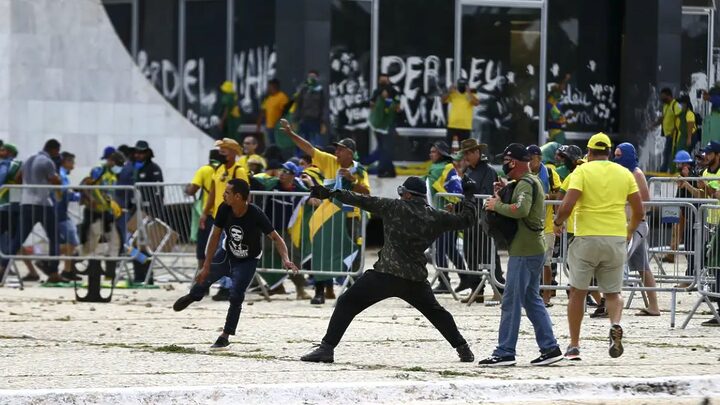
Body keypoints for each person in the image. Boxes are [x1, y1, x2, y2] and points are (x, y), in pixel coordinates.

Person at [299, 176, 478, 363]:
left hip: (385, 275)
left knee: (346, 303)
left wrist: (330, 193)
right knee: (437, 313)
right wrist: (469, 196)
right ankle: (463, 349)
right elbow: (466, 220)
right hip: (415, 279)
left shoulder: (394, 207)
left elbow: (361, 199)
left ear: (407, 194)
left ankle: (326, 349)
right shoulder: (435, 216)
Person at [173, 179, 298, 349]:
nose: (223, 195)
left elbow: (277, 238)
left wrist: (286, 259)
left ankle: (225, 335)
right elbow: (214, 236)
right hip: (226, 254)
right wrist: (206, 265)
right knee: (203, 278)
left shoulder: (255, 214)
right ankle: (194, 295)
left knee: (236, 295)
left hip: (247, 260)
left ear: (238, 196)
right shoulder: (224, 208)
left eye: (227, 193)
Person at [553, 133, 644, 360]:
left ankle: (574, 345)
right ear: (610, 152)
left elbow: (567, 204)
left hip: (587, 238)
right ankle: (615, 324)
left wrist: (557, 223)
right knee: (613, 293)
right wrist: (629, 230)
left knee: (577, 292)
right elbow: (639, 210)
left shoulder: (582, 171)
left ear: (589, 152)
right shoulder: (624, 173)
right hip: (615, 237)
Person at [477, 144, 562, 367]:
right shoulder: (527, 182)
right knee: (531, 300)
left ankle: (505, 351)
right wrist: (504, 191)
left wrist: (497, 205)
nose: (504, 164)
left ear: (513, 162)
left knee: (511, 301)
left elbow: (521, 210)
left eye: (506, 160)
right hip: (531, 248)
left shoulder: (525, 183)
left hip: (524, 251)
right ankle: (550, 347)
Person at [279, 118, 370, 304]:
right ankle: (320, 291)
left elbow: (366, 193)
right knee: (322, 251)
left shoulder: (360, 170)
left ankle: (353, 292)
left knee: (352, 253)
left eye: (340, 149)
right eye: (335, 149)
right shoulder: (330, 162)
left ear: (350, 153)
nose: (336, 152)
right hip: (328, 216)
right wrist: (290, 134)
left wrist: (352, 180)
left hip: (350, 217)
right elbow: (309, 148)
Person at [3, 139, 65, 283]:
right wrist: (57, 179)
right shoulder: (47, 162)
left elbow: (18, 179)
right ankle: (54, 272)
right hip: (43, 204)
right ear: (55, 150)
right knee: (54, 238)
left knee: (18, 239)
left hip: (26, 203)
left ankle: (2, 267)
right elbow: (55, 181)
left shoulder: (28, 159)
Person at [453, 139, 503, 302]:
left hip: (484, 221)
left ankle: (500, 289)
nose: (466, 156)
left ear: (477, 153)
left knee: (489, 255)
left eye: (468, 153)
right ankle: (477, 291)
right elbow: (467, 196)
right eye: (464, 153)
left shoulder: (488, 171)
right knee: (471, 255)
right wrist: (456, 208)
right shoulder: (468, 171)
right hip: (470, 220)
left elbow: (485, 195)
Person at [614, 143, 660, 316]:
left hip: (636, 226)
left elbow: (646, 202)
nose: (616, 158)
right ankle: (654, 306)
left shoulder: (636, 174)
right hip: (628, 224)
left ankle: (611, 302)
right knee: (643, 268)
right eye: (615, 155)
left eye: (619, 155)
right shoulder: (623, 173)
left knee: (617, 262)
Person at [200, 138, 250, 301]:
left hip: (233, 217)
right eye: (220, 149)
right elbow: (213, 193)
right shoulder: (218, 169)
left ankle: (228, 287)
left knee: (229, 253)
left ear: (234, 152)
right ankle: (223, 285)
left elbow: (245, 195)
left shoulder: (239, 170)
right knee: (217, 252)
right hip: (218, 217)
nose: (220, 151)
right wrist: (205, 212)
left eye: (224, 149)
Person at [425, 141, 465, 293]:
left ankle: (444, 281)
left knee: (441, 249)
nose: (431, 154)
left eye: (433, 152)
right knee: (448, 249)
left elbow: (432, 184)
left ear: (441, 153)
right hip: (445, 215)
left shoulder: (441, 169)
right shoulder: (447, 168)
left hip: (445, 216)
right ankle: (466, 277)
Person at [79, 151, 125, 278]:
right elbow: (89, 188)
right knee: (91, 244)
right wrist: (94, 201)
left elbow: (108, 193)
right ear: (110, 160)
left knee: (115, 242)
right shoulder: (99, 170)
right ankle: (73, 263)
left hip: (106, 213)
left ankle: (110, 274)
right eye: (118, 163)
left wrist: (112, 205)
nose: (119, 167)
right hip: (94, 213)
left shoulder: (113, 176)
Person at [527, 145, 562, 307]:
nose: (529, 162)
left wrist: (547, 196)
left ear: (539, 158)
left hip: (547, 224)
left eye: (531, 158)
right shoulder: (525, 173)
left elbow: (560, 194)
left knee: (546, 262)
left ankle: (547, 295)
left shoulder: (549, 173)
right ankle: (531, 293)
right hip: (529, 224)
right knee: (529, 260)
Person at [186, 150, 222, 270]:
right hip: (223, 213)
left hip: (208, 214)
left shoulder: (204, 170)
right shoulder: (224, 171)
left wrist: (186, 189)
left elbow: (192, 190)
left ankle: (203, 276)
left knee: (203, 247)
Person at [366, 73, 401, 178]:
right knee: (382, 148)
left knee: (387, 148)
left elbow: (398, 107)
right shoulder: (376, 92)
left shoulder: (393, 91)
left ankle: (384, 170)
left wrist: (387, 104)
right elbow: (371, 104)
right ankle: (387, 170)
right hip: (378, 125)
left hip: (389, 125)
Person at [56, 152, 82, 280]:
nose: (73, 166)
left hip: (60, 212)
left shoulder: (63, 174)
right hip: (59, 213)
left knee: (70, 242)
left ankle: (68, 270)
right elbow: (65, 193)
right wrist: (81, 196)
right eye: (72, 162)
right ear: (65, 162)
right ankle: (47, 258)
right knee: (72, 241)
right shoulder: (61, 175)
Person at [441, 79, 480, 152]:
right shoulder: (453, 93)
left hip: (465, 126)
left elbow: (477, 103)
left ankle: (463, 163)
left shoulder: (471, 94)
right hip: (452, 125)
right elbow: (443, 100)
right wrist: (449, 92)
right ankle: (448, 162)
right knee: (447, 148)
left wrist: (469, 92)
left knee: (464, 150)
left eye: (463, 85)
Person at [294, 70, 326, 147]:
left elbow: (323, 107)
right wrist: (295, 120)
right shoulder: (304, 89)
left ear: (317, 78)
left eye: (313, 77)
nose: (311, 78)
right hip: (304, 120)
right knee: (303, 142)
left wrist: (323, 122)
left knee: (317, 143)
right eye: (310, 76)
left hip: (316, 120)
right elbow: (298, 105)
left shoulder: (320, 90)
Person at [257, 79, 290, 146]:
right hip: (269, 126)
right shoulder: (268, 98)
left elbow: (286, 112)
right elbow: (263, 112)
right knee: (271, 145)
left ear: (275, 86)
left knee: (279, 145)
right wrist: (258, 125)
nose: (268, 88)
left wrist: (280, 123)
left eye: (269, 86)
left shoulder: (282, 97)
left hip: (278, 127)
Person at [658, 88, 682, 173]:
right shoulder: (666, 106)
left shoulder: (676, 105)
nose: (662, 99)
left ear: (669, 96)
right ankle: (667, 168)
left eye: (664, 97)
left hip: (673, 134)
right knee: (667, 152)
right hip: (668, 134)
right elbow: (663, 117)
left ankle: (665, 169)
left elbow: (679, 118)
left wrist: (674, 130)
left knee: (668, 152)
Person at [546, 74, 571, 144]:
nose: (560, 94)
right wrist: (565, 80)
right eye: (558, 92)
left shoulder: (557, 104)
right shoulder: (549, 104)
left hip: (557, 130)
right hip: (553, 131)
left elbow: (560, 118)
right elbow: (553, 118)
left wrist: (565, 119)